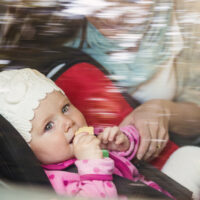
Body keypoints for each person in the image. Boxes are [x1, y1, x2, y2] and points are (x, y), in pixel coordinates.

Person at [0, 68, 176, 199]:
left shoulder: (90, 138)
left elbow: (133, 151)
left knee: (188, 156)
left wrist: (124, 143)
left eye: (65, 108)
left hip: (157, 192)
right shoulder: (54, 184)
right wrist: (92, 164)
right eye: (48, 126)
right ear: (28, 151)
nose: (67, 122)